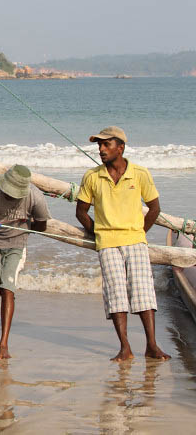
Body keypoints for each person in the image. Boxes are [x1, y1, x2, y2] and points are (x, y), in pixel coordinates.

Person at [75, 126, 170, 362]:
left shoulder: (139, 174)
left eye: (106, 145)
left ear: (121, 147)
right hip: (107, 243)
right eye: (99, 145)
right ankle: (125, 347)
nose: (101, 149)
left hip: (135, 241)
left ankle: (151, 345)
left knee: (143, 292)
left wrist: (139, 232)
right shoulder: (92, 175)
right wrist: (98, 233)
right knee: (116, 294)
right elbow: (81, 212)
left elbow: (155, 208)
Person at [0, 164, 49, 359]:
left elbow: (42, 225)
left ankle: (4, 343)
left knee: (8, 288)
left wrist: (22, 225)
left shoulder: (35, 197)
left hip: (16, 244)